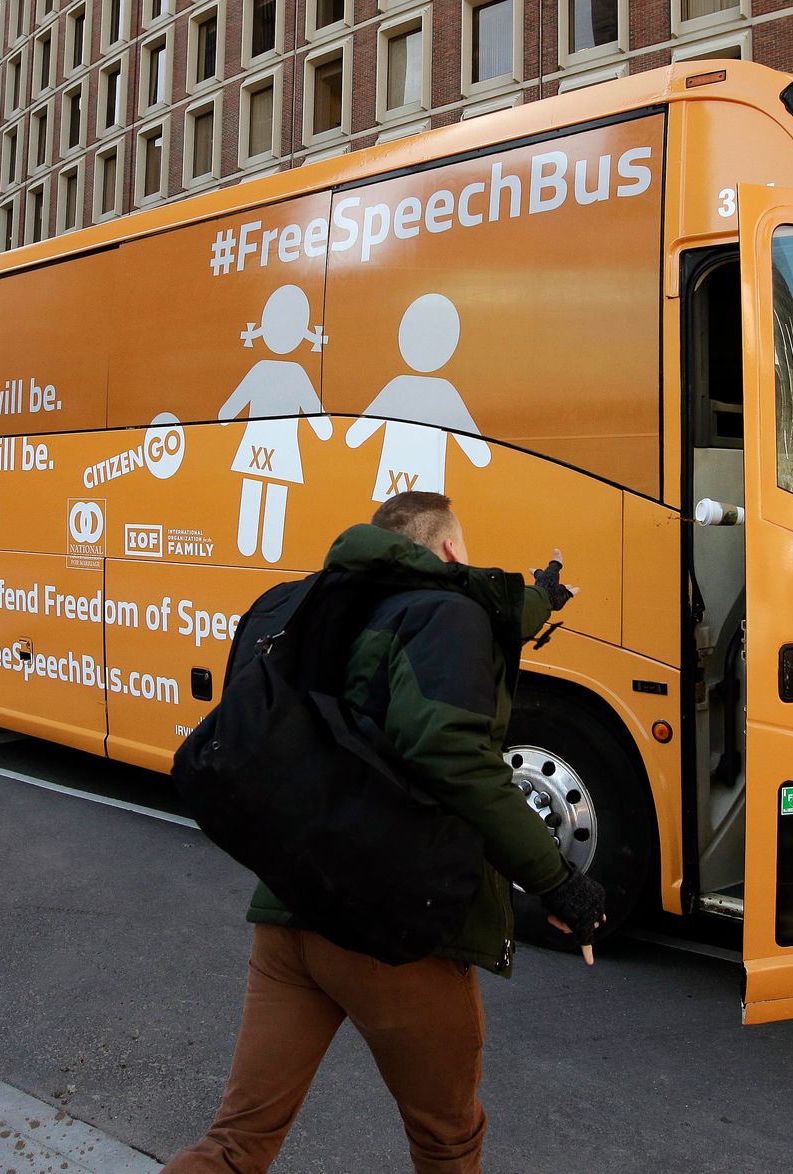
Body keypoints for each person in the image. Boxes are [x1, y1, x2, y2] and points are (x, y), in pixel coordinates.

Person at [165, 490, 604, 1174]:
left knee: (236, 1143)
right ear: (453, 551)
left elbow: (482, 622)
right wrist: (558, 881)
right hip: (394, 931)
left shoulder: (312, 602)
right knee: (447, 1140)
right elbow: (453, 755)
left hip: (289, 915)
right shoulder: (448, 615)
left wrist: (543, 598)